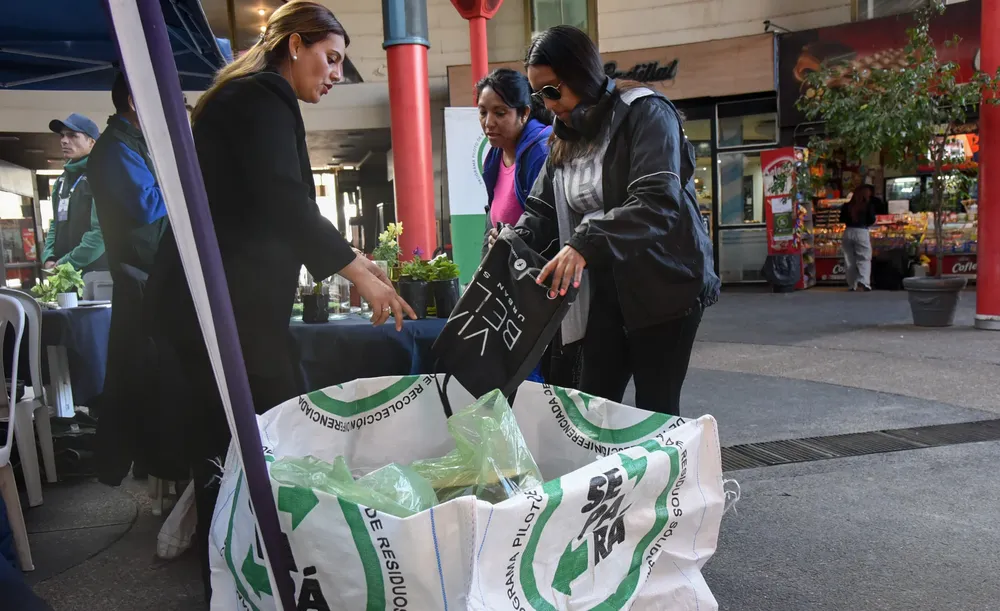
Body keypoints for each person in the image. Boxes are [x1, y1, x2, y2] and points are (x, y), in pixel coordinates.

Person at [145, 0, 415, 598]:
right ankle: (239, 568)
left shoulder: (251, 96)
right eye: (331, 57)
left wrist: (358, 261)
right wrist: (359, 277)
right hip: (222, 311)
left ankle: (243, 562)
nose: (336, 73)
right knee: (243, 433)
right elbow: (282, 199)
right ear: (295, 44)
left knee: (243, 431)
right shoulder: (260, 97)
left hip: (226, 306)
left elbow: (284, 203)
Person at [508, 26, 719, 417]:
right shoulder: (564, 137)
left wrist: (584, 241)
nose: (547, 104)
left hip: (664, 284)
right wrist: (512, 242)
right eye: (538, 95)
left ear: (582, 74)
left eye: (552, 90)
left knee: (655, 410)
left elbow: (656, 201)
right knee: (594, 406)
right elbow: (542, 210)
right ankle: (607, 479)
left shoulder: (646, 112)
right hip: (607, 288)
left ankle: (664, 478)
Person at [88, 72, 171, 486]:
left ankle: (150, 460)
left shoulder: (129, 143)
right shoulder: (115, 148)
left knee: (144, 377)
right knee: (137, 377)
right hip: (140, 278)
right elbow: (151, 204)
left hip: (147, 276)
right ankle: (140, 462)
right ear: (136, 102)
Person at [477, 68, 552, 257]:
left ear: (524, 113)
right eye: (483, 112)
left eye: (500, 113)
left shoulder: (540, 153)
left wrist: (510, 242)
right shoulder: (495, 155)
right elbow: (491, 226)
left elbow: (548, 227)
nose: (488, 122)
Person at [42, 114, 107, 274]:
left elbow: (100, 234)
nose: (64, 140)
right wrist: (49, 256)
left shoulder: (102, 176)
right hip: (63, 273)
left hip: (95, 275)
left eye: (72, 135)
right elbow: (55, 224)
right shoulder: (61, 181)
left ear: (92, 142)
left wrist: (65, 263)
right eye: (62, 135)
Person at [840, 185, 877, 291]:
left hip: (848, 232)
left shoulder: (847, 206)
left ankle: (852, 284)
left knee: (849, 260)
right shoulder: (867, 205)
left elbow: (841, 219)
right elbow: (871, 220)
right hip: (861, 232)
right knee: (864, 258)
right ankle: (863, 281)